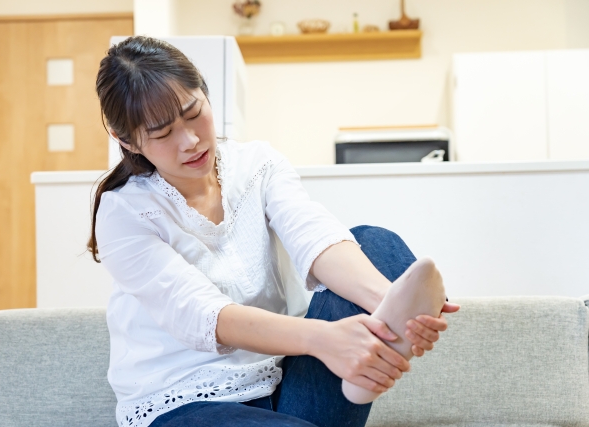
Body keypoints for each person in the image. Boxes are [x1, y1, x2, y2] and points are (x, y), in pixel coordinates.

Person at [88, 36, 460, 427]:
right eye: (163, 133)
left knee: (374, 242)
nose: (191, 141)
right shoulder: (124, 211)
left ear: (205, 93)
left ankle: (388, 329)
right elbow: (203, 314)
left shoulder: (257, 164)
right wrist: (325, 340)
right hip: (188, 406)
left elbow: (312, 234)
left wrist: (388, 304)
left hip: (287, 389)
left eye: (194, 113)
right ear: (125, 139)